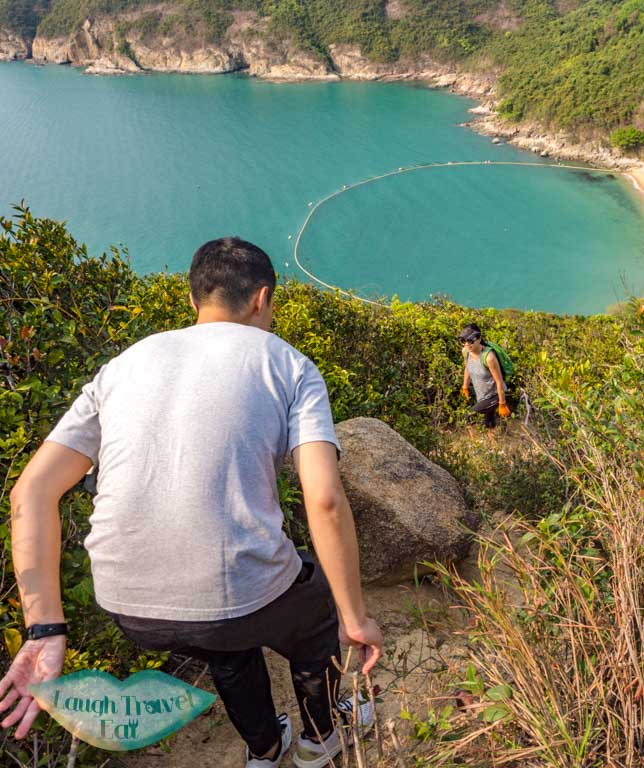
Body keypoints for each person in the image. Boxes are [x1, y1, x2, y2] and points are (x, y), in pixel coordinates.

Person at [0, 238, 382, 768]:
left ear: (193, 300)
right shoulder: (288, 364)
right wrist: (355, 617)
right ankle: (320, 738)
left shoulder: (123, 365)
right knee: (316, 610)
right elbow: (323, 499)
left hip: (131, 607)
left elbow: (31, 491)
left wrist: (45, 629)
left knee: (224, 646)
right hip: (235, 591)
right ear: (262, 299)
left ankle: (265, 749)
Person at [459, 323, 510, 429]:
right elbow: (467, 368)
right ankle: (493, 442)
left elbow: (499, 381)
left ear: (479, 338)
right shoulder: (466, 352)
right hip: (482, 395)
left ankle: (476, 444)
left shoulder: (489, 357)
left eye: (470, 340)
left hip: (494, 395)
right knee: (489, 421)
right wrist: (465, 386)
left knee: (470, 418)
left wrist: (502, 403)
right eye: (463, 341)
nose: (467, 344)